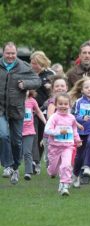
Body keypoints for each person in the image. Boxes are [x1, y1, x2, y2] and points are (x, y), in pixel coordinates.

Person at [0, 42, 41, 181]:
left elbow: (37, 80)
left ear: (16, 53)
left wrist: (26, 84)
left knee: (17, 142)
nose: (10, 56)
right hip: (0, 108)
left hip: (16, 109)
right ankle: (7, 165)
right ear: (3, 53)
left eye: (13, 53)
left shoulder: (24, 66)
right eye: (8, 53)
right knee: (3, 135)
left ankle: (16, 167)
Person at [44, 93, 81, 196]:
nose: (63, 106)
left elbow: (74, 129)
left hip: (68, 146)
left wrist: (77, 140)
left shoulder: (71, 118)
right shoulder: (54, 117)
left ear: (69, 105)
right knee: (53, 171)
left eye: (65, 104)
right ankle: (51, 170)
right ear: (56, 105)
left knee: (66, 165)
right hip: (54, 146)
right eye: (60, 104)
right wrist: (58, 132)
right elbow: (47, 130)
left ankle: (64, 184)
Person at [30, 50, 56, 174]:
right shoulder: (29, 74)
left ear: (41, 63)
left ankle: (47, 161)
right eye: (32, 63)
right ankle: (35, 162)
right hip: (32, 111)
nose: (33, 65)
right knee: (34, 135)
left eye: (35, 63)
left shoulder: (51, 74)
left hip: (46, 110)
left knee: (43, 136)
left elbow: (54, 93)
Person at [22, 90, 46, 181]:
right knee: (16, 150)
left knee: (27, 152)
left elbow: (38, 112)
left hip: (29, 130)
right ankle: (13, 168)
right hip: (16, 130)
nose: (24, 92)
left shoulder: (32, 101)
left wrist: (46, 122)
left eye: (27, 90)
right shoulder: (15, 100)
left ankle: (28, 172)